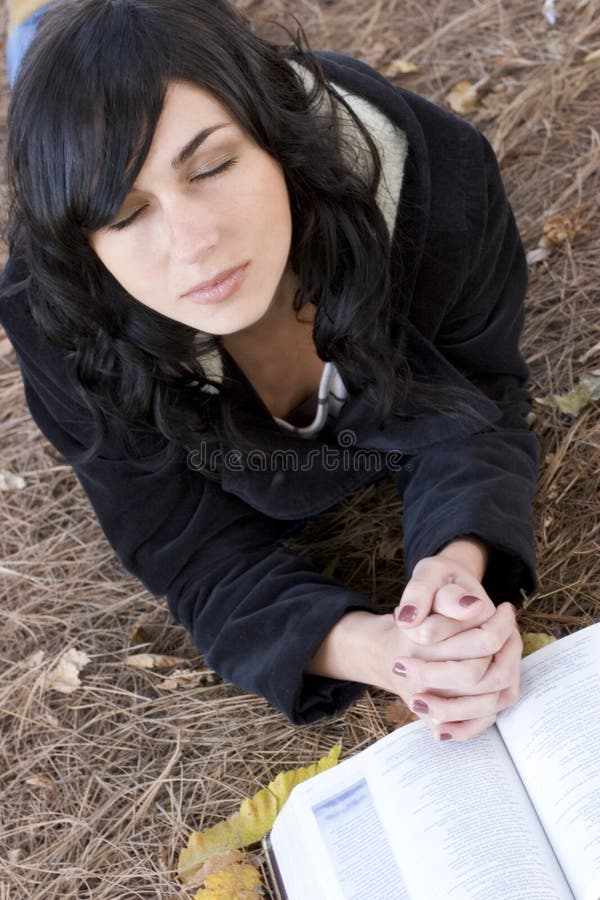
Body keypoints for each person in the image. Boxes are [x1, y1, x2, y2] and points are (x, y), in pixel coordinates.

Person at [0, 0, 539, 741]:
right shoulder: (57, 321)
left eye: (214, 165)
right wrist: (384, 650)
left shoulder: (441, 184)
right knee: (45, 54)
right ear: (86, 243)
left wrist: (456, 563)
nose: (193, 244)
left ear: (276, 135)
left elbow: (483, 398)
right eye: (124, 215)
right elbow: (192, 554)